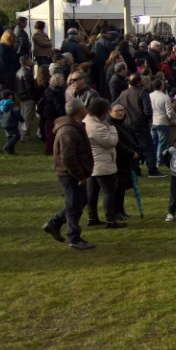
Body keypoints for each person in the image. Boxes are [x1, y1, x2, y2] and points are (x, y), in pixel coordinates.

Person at [43, 98, 95, 250]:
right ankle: (74, 237)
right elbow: (68, 157)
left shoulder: (75, 126)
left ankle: (55, 223)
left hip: (74, 172)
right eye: (84, 107)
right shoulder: (69, 130)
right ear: (80, 110)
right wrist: (79, 176)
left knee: (81, 201)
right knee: (74, 205)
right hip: (70, 174)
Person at [83, 98, 124, 229]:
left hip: (92, 164)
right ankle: (111, 220)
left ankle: (92, 217)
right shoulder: (96, 127)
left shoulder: (86, 122)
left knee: (92, 193)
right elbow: (111, 142)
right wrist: (112, 129)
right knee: (108, 192)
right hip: (102, 164)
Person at [0, 90, 23, 154]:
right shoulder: (14, 104)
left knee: (9, 136)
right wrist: (22, 120)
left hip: (3, 123)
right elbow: (17, 114)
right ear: (10, 96)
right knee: (17, 135)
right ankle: (8, 147)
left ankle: (11, 150)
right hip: (12, 122)